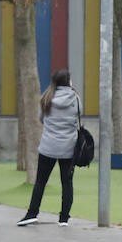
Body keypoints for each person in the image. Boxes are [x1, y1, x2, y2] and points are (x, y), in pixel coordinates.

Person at [19, 70, 80, 226]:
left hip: (48, 146)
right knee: (67, 183)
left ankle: (32, 213)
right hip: (69, 147)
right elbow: (79, 116)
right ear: (68, 81)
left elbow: (41, 119)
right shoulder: (75, 98)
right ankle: (64, 218)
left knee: (40, 181)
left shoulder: (46, 98)